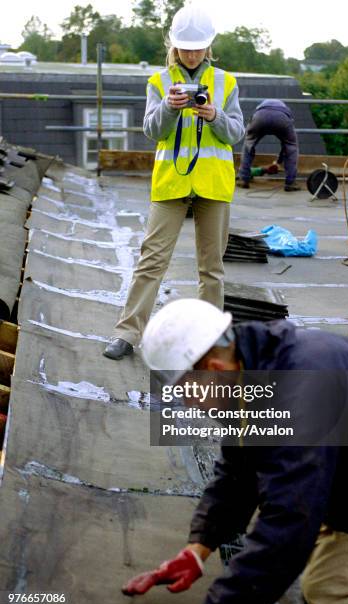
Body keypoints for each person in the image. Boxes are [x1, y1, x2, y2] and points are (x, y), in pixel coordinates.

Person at [122, 298, 348, 604]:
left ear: (213, 370)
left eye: (187, 393)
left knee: (333, 592)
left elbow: (287, 525)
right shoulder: (250, 363)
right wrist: (197, 550)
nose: (189, 404)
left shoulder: (298, 392)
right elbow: (238, 472)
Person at [103, 5, 244, 360]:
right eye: (186, 46)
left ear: (209, 46)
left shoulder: (226, 83)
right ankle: (127, 333)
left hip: (213, 185)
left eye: (198, 47)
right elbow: (152, 131)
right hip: (170, 185)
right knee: (151, 261)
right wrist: (168, 106)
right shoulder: (159, 82)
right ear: (174, 45)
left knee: (212, 268)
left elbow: (237, 134)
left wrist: (215, 115)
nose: (193, 53)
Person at [237, 99, 300, 192]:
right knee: (291, 147)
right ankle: (290, 183)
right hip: (282, 118)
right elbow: (285, 148)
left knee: (248, 145)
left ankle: (243, 179)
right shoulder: (285, 109)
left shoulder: (261, 106)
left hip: (260, 116)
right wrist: (279, 161)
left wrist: (278, 162)